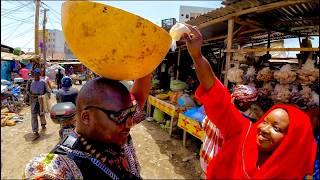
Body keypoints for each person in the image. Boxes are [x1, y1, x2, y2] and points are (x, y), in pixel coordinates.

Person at [183, 24, 316, 179]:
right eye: (265, 121)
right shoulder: (244, 134)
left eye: (277, 128)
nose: (264, 129)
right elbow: (217, 97)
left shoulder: (290, 171)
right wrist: (197, 56)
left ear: (292, 141)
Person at [25, 74, 151, 179]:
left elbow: (138, 99)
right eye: (120, 115)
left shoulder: (117, 129)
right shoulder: (66, 162)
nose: (130, 123)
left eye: (131, 112)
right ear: (86, 117)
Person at [28, 68, 51, 138]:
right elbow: (27, 91)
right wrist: (30, 95)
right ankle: (35, 131)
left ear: (40, 75)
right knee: (34, 116)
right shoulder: (30, 82)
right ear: (33, 75)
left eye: (38, 75)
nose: (37, 76)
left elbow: (48, 91)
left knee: (41, 113)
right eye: (35, 75)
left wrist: (43, 96)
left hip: (41, 100)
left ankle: (43, 124)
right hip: (33, 101)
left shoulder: (43, 82)